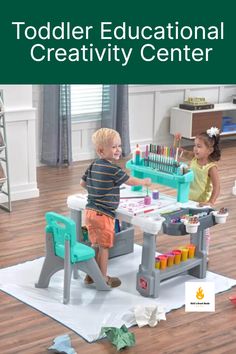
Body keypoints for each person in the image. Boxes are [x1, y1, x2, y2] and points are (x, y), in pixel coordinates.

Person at [80, 128, 151, 288]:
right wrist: (144, 182)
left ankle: (91, 276)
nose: (118, 149)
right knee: (104, 248)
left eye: (119, 145)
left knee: (95, 245)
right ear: (101, 150)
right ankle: (103, 279)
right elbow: (130, 181)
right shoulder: (113, 169)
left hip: (90, 212)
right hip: (104, 215)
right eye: (113, 147)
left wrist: (96, 191)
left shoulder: (93, 165)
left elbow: (82, 183)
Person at [175, 127, 221, 257]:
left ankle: (204, 254)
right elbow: (178, 152)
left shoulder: (211, 168)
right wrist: (177, 141)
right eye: (195, 145)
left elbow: (217, 187)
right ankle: (196, 251)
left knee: (203, 230)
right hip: (189, 200)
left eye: (199, 146)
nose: (195, 149)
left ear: (210, 150)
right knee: (193, 227)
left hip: (201, 204)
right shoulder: (193, 158)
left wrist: (210, 202)